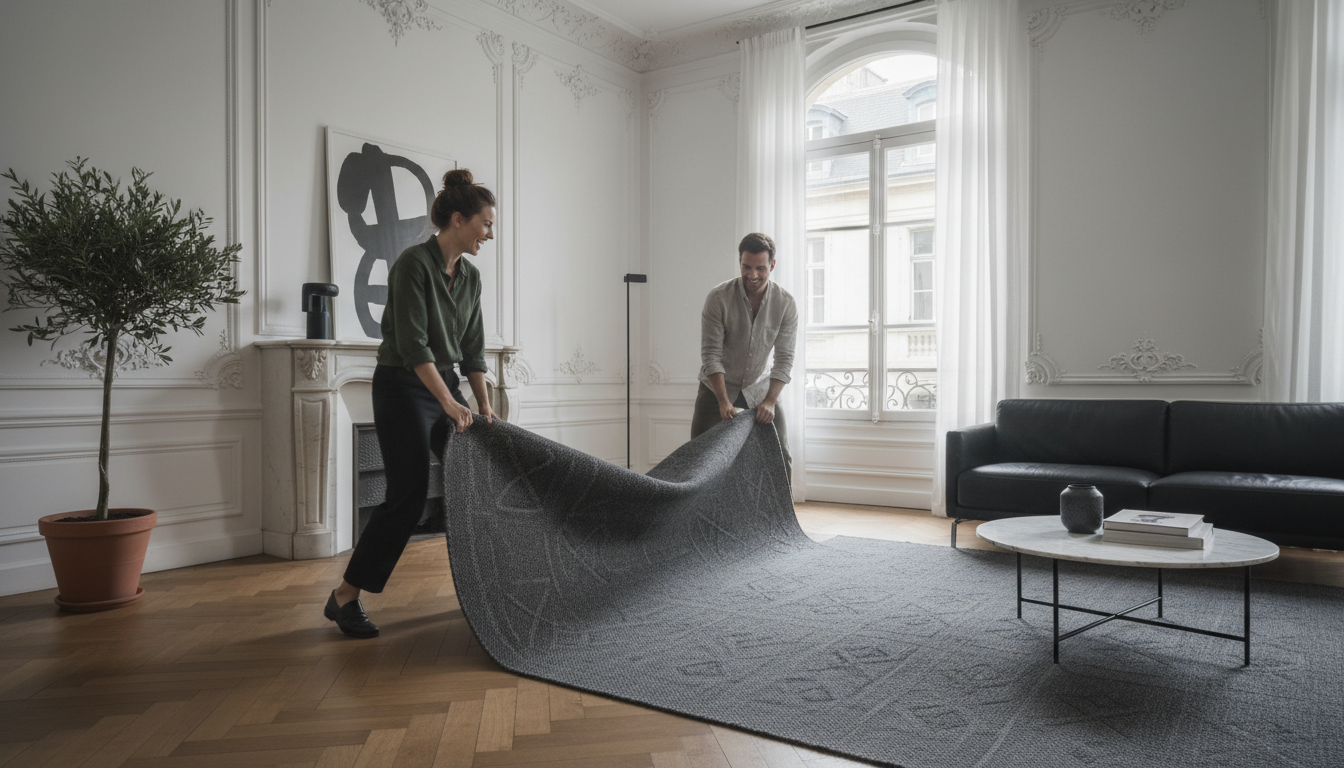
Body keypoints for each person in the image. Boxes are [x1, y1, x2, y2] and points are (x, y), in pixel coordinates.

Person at [325, 169, 497, 639]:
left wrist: (482, 405)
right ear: (459, 220)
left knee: (479, 480)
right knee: (408, 496)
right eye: (485, 223)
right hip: (402, 386)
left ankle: (488, 586)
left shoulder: (471, 278)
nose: (490, 233)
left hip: (441, 383)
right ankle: (345, 596)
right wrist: (449, 404)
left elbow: (474, 348)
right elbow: (415, 346)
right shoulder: (411, 266)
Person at [692, 232, 798, 481]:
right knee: (696, 456)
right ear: (739, 262)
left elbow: (784, 360)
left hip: (760, 387)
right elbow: (711, 355)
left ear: (772, 265)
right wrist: (722, 400)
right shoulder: (717, 298)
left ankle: (781, 519)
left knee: (780, 454)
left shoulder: (786, 304)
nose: (752, 275)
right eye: (746, 267)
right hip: (716, 386)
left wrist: (770, 401)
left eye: (760, 268)